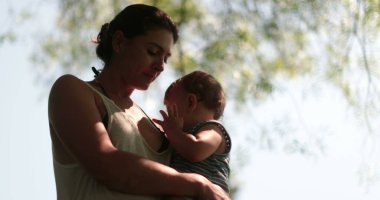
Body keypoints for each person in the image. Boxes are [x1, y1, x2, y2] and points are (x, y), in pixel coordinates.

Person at [48, 4, 230, 200]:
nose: (160, 66)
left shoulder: (163, 129)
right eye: (152, 51)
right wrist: (197, 184)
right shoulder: (73, 91)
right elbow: (106, 165)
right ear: (119, 42)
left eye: (165, 58)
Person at [153, 70, 232, 199]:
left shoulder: (214, 129)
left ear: (191, 102)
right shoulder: (182, 136)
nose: (168, 116)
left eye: (170, 110)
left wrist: (173, 132)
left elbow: (196, 149)